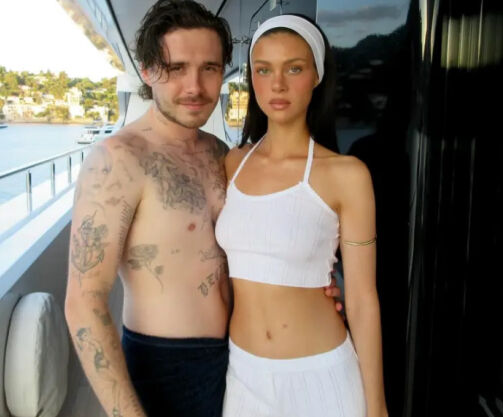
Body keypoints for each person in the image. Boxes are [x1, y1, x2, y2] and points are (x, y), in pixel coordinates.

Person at [64, 2, 341, 417]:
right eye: (176, 68)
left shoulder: (221, 154)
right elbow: (84, 302)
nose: (194, 86)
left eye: (209, 68)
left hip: (239, 358)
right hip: (165, 367)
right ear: (147, 71)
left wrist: (313, 287)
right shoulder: (118, 159)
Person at [216, 14, 388, 417]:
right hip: (244, 376)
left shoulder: (346, 175)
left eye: (294, 68)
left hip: (322, 376)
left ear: (316, 76)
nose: (277, 84)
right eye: (263, 70)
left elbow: (362, 299)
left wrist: (377, 406)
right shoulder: (232, 164)